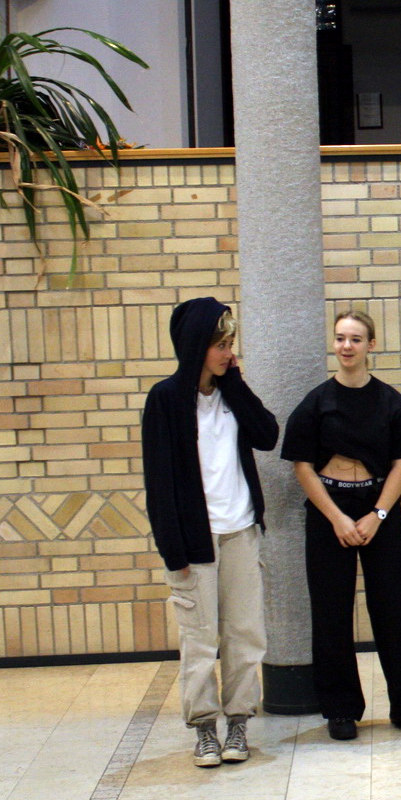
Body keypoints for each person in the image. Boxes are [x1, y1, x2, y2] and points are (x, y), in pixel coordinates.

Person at [140, 298, 279, 768]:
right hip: (194, 541)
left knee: (244, 634)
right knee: (199, 640)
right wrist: (171, 551)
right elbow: (158, 482)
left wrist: (235, 382)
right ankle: (204, 728)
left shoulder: (230, 393)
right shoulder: (165, 400)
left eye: (230, 344)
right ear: (196, 346)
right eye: (220, 345)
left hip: (241, 530)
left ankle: (238, 721)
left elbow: (267, 435)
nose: (228, 353)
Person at [282, 310, 401, 741]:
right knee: (331, 612)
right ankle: (341, 710)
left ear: (371, 345)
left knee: (394, 610)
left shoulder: (393, 404)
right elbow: (302, 466)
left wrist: (377, 515)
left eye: (356, 339)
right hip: (330, 511)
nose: (347, 346)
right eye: (341, 338)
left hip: (379, 508)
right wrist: (337, 518)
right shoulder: (315, 404)